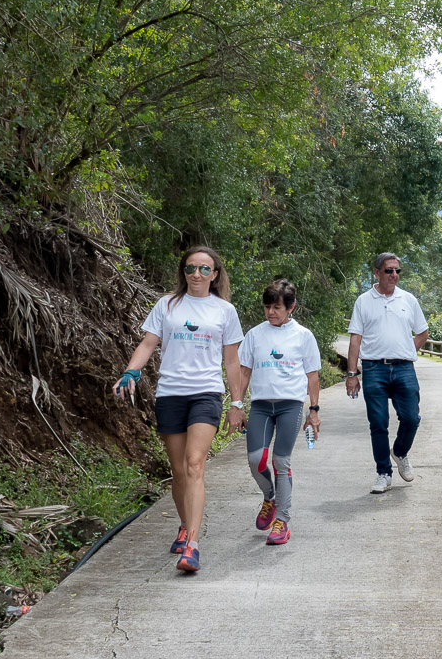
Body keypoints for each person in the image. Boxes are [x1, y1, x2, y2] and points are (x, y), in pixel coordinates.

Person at [113, 245, 242, 574]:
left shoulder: (224, 311)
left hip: (207, 393)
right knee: (180, 471)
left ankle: (193, 545)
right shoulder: (166, 305)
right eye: (190, 268)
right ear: (182, 273)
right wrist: (131, 370)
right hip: (170, 393)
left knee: (195, 464)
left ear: (215, 275)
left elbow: (231, 360)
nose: (196, 275)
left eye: (203, 269)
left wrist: (237, 402)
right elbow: (147, 343)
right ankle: (185, 524)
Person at [235, 278, 322, 546]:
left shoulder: (303, 336)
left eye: (277, 308)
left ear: (291, 307)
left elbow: (312, 375)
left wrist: (314, 410)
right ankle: (269, 497)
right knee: (254, 459)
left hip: (290, 406)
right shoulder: (255, 334)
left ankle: (282, 520)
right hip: (261, 405)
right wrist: (236, 404)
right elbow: (244, 371)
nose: (271, 312)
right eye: (267, 307)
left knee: (281, 461)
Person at [345, 252, 428, 493]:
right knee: (378, 423)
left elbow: (422, 332)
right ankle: (383, 473)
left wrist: (407, 350)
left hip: (403, 368)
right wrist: (352, 375)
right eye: (389, 270)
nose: (394, 275)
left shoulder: (408, 299)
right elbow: (355, 339)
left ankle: (400, 452)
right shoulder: (363, 301)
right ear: (377, 273)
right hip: (374, 369)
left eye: (397, 271)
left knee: (412, 418)